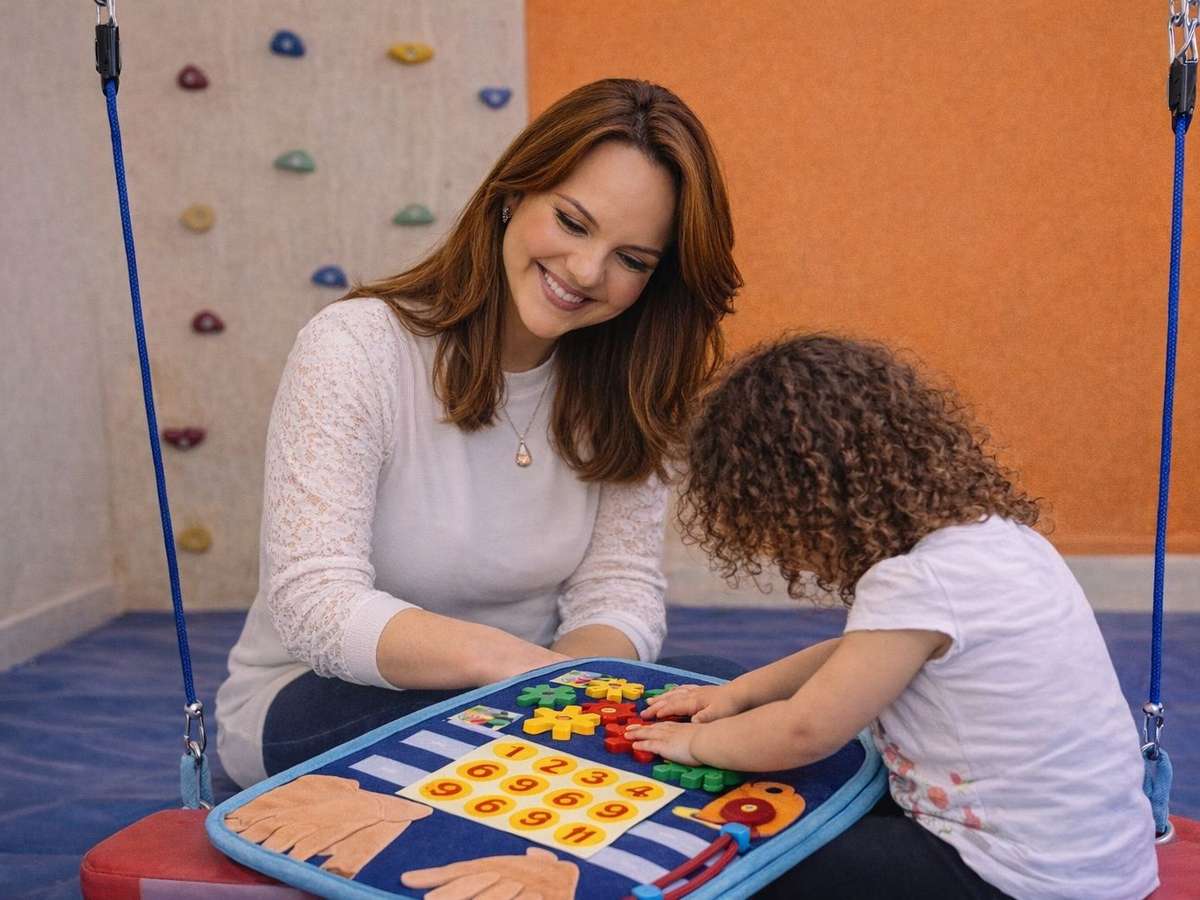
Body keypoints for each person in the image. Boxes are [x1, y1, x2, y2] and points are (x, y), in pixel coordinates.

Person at [215, 79, 744, 789]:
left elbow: (618, 591)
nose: (587, 271)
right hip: (322, 695)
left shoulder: (631, 384)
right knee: (478, 730)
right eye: (573, 222)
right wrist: (524, 673)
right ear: (512, 193)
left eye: (632, 261)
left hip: (520, 696)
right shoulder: (354, 346)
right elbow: (316, 605)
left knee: (724, 692)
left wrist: (566, 689)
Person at [629, 335, 1158, 899]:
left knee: (751, 863)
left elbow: (804, 732)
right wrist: (740, 693)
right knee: (728, 694)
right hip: (1098, 862)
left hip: (1015, 878)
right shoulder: (998, 537)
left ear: (803, 505)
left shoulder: (916, 579)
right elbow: (854, 657)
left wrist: (695, 745)